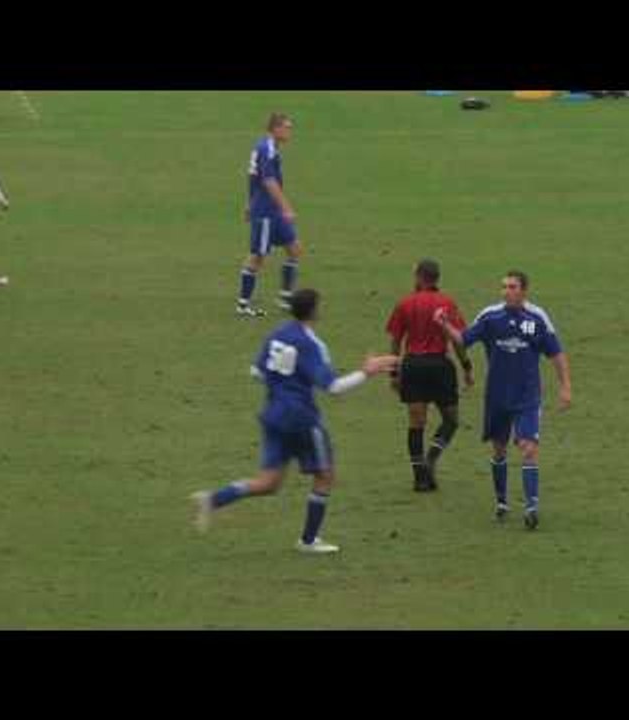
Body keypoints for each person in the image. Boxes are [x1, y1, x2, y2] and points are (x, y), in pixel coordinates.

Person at [191, 289, 399, 553]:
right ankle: (309, 540)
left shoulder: (277, 333)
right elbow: (334, 387)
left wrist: (282, 385)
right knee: (325, 475)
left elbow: (256, 371)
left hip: (273, 415)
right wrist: (367, 372)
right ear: (313, 311)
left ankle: (212, 500)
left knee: (269, 483)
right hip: (301, 419)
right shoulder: (311, 344)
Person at [434, 271, 571, 530]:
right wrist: (444, 325)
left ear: (524, 291)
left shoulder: (537, 319)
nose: (505, 291)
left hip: (527, 397)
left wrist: (566, 386)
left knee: (529, 448)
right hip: (497, 397)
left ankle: (531, 507)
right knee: (498, 449)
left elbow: (556, 353)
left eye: (512, 287)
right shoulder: (490, 317)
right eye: (503, 287)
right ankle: (501, 501)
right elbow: (464, 339)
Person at [386, 260, 474, 492]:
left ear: (419, 277)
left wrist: (394, 372)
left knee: (416, 423)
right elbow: (458, 339)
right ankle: (431, 458)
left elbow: (395, 340)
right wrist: (466, 366)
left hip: (413, 366)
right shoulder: (447, 303)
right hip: (439, 366)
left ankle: (419, 477)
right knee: (451, 420)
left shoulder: (405, 302)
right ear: (436, 278)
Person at [237, 113, 303, 318]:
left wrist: (249, 203)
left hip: (272, 210)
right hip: (267, 212)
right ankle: (243, 304)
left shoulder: (265, 146)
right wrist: (286, 208)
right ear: (275, 129)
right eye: (286, 127)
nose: (289, 131)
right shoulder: (267, 149)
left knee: (294, 249)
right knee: (258, 257)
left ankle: (284, 298)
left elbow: (252, 177)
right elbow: (268, 181)